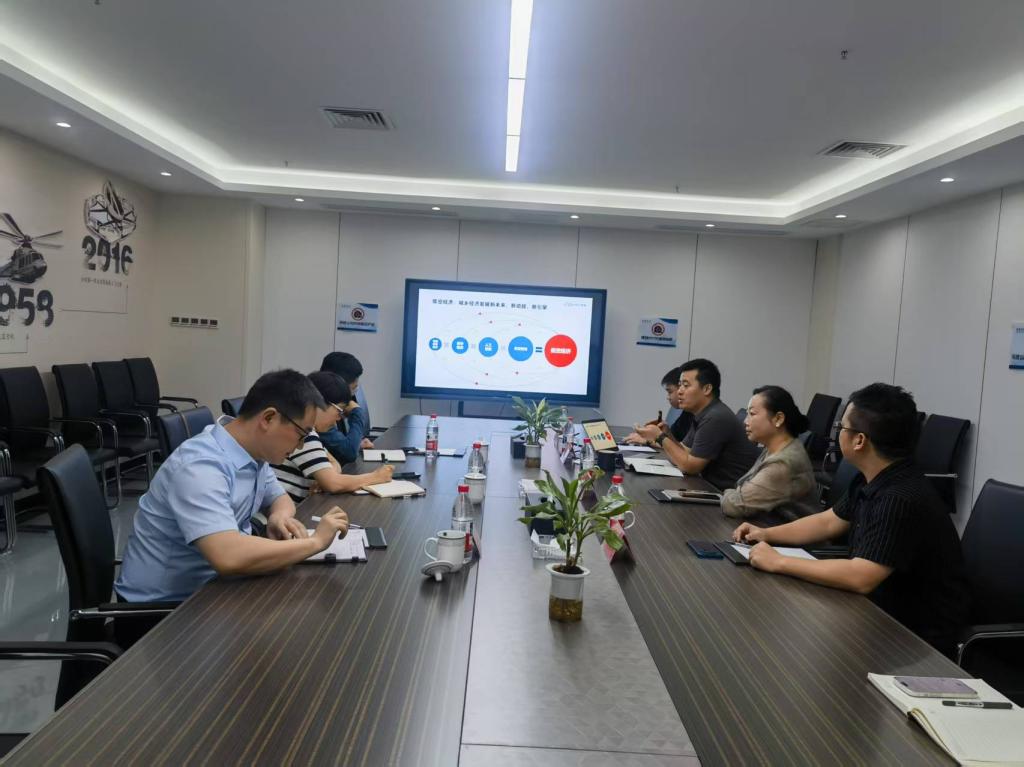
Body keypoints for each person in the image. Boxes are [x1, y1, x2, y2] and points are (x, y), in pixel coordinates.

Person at [732, 383, 970, 657]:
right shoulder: (872, 478)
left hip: (915, 638)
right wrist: (766, 534)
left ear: (859, 441)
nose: (837, 434)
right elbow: (828, 522)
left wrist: (778, 562)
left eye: (841, 427)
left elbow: (861, 577)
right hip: (876, 610)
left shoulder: (900, 497)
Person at [115, 369, 351, 605]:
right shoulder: (200, 466)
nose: (300, 446)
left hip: (216, 587)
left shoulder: (252, 452)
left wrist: (279, 517)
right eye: (301, 434)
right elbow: (228, 556)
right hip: (165, 609)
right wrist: (315, 542)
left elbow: (280, 498)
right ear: (268, 418)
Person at [629, 358, 760, 489]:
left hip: (725, 494)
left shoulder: (715, 417)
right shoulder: (703, 413)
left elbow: (690, 467)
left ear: (707, 389)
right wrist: (667, 435)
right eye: (680, 385)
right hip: (709, 487)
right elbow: (685, 452)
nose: (680, 391)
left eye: (686, 385)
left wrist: (660, 437)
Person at [273, 371, 393, 502]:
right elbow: (334, 484)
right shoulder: (303, 435)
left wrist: (327, 479)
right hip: (291, 510)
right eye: (339, 410)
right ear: (319, 403)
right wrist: (376, 477)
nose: (339, 418)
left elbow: (334, 464)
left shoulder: (311, 433)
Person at [721, 386, 819, 520]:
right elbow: (742, 490)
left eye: (752, 414)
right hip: (768, 525)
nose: (745, 421)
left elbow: (734, 506)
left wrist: (729, 493)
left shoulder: (782, 464)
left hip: (783, 531)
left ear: (778, 419)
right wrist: (738, 493)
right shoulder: (774, 447)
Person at [319, 351, 372, 464]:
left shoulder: (327, 402)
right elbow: (349, 453)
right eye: (353, 389)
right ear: (339, 384)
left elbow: (342, 448)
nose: (352, 395)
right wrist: (357, 411)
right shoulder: (323, 413)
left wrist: (355, 444)